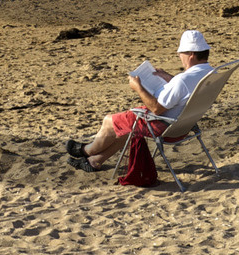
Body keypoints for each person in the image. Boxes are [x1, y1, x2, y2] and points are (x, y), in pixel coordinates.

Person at [67, 30, 215, 172]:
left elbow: (157, 108)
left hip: (165, 126)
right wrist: (170, 78)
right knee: (125, 126)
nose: (178, 56)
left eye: (180, 53)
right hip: (185, 124)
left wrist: (138, 87)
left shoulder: (183, 80)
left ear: (191, 54)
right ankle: (95, 161)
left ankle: (86, 150)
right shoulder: (209, 73)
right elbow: (188, 90)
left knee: (109, 121)